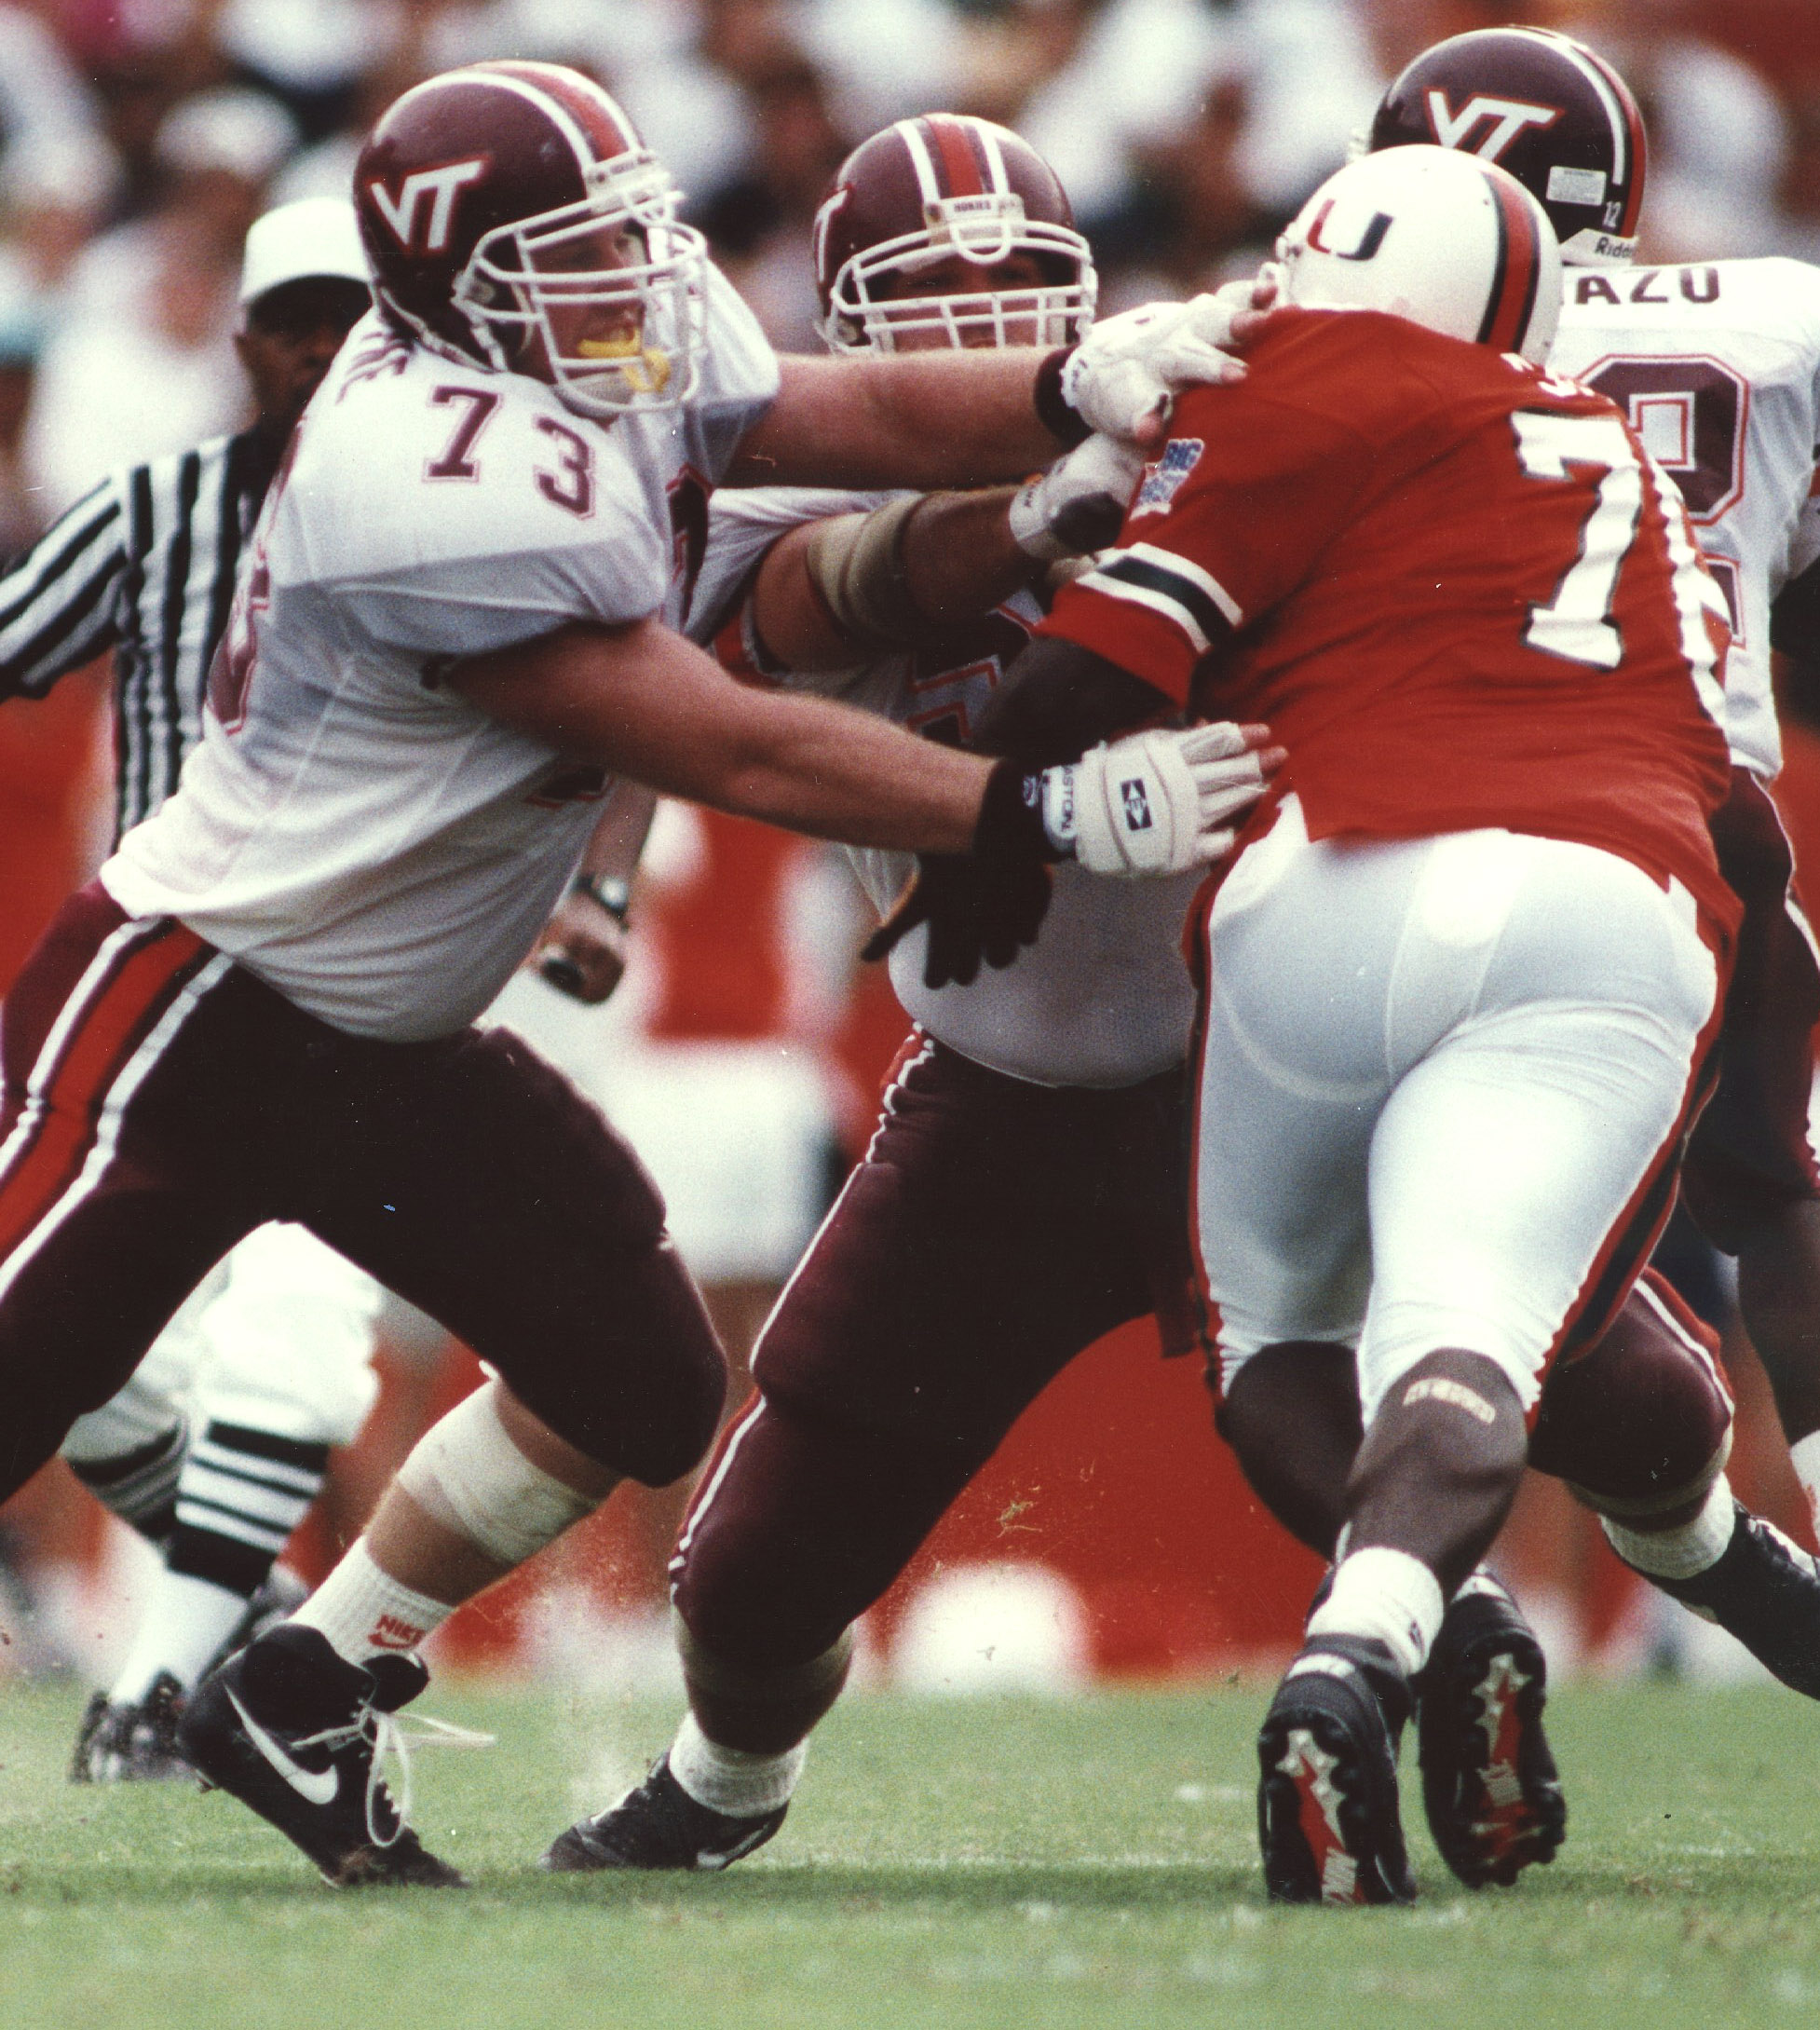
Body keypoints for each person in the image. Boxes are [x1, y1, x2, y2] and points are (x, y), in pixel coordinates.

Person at [0, 59, 1271, 1892]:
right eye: (578, 262)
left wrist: (1053, 388)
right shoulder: (412, 468)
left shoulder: (586, 330)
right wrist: (1031, 808)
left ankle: (307, 1680)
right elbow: (717, 735)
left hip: (393, 1031)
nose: (633, 291)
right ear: (459, 296)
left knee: (634, 1367)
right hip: (200, 1004)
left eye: (633, 244)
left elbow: (797, 410)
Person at [976, 143, 1820, 1906]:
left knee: (1273, 1342)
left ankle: (1424, 1622)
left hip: (1326, 885)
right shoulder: (1624, 448)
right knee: (1471, 1340)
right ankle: (1364, 1654)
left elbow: (1073, 687)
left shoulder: (1293, 383)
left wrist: (1002, 742)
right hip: (1612, 905)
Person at [1215, 23, 1820, 1888]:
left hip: (1381, 832)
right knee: (1761, 1189)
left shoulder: (1322, 340)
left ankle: (1401, 1638)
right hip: (1697, 828)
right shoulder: (1774, 309)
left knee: (1364, 1309)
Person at [547, 112, 1267, 1873]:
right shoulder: (792, 470)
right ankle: (727, 1785)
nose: (980, 334)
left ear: (1090, 303)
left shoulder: (1219, 428)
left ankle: (1771, 1573)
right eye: (929, 303)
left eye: (1021, 297)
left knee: (1503, 1386)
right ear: (850, 332)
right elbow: (824, 593)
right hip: (995, 1107)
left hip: (1264, 1061)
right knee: (749, 1576)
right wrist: (1035, 503)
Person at [0, 196, 392, 1782]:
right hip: (155, 971)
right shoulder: (151, 516)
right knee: (72, 1343)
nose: (319, 350)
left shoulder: (463, 515)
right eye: (292, 321)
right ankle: (259, 1627)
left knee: (299, 1317)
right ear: (241, 345)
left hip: (361, 976)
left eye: (348, 320)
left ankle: (179, 1674)